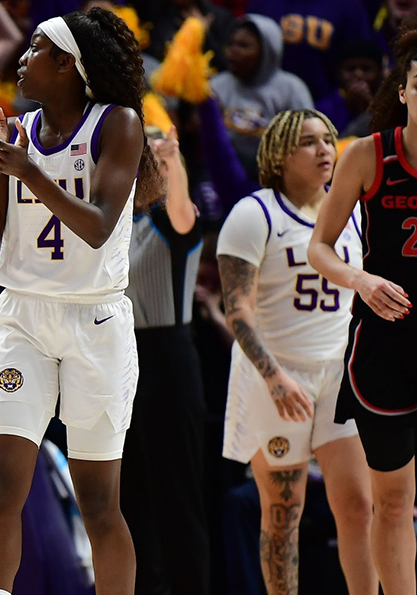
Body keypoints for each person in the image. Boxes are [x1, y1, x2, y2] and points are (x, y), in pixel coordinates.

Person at [0, 8, 164, 594]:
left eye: (36, 51)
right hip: (23, 315)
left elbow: (99, 226)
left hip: (94, 318)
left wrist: (25, 171)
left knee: (99, 502)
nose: (21, 61)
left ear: (70, 66)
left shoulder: (117, 124)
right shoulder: (17, 134)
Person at [219, 109, 376, 595]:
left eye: (329, 139)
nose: (326, 149)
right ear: (280, 155)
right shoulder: (254, 213)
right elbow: (238, 311)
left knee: (357, 507)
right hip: (276, 375)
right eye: (309, 142)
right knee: (283, 514)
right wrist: (273, 377)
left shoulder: (350, 210)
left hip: (338, 375)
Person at [307, 24, 417, 594]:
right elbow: (318, 247)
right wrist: (362, 279)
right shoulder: (366, 156)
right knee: (393, 502)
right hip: (384, 346)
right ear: (403, 91)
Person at [119, 125, 208, 595]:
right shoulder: (110, 222)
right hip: (116, 364)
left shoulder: (172, 216)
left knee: (177, 499)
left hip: (168, 362)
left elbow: (182, 210)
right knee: (127, 501)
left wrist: (174, 162)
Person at [211, 15, 314, 182]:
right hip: (222, 174)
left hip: (276, 175)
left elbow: (306, 140)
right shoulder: (215, 85)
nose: (233, 51)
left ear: (267, 50)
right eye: (230, 44)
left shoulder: (292, 89)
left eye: (244, 46)